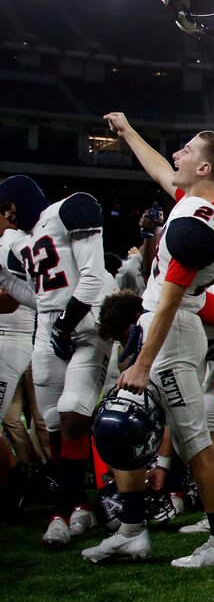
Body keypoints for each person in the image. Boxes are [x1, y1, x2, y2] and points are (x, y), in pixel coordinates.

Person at [81, 113, 214, 568]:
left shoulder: (193, 225)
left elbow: (170, 301)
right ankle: (132, 532)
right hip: (163, 325)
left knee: (194, 442)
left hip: (169, 331)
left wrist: (139, 364)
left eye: (188, 150)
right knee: (124, 424)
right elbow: (161, 170)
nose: (177, 153)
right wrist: (130, 131)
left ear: (203, 169)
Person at [0, 175, 113, 548]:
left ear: (13, 205)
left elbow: (93, 277)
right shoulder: (20, 240)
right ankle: (77, 505)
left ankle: (60, 514)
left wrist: (63, 326)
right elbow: (33, 294)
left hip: (85, 323)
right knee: (52, 426)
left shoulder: (69, 209)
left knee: (73, 414)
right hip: (50, 327)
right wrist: (52, 319)